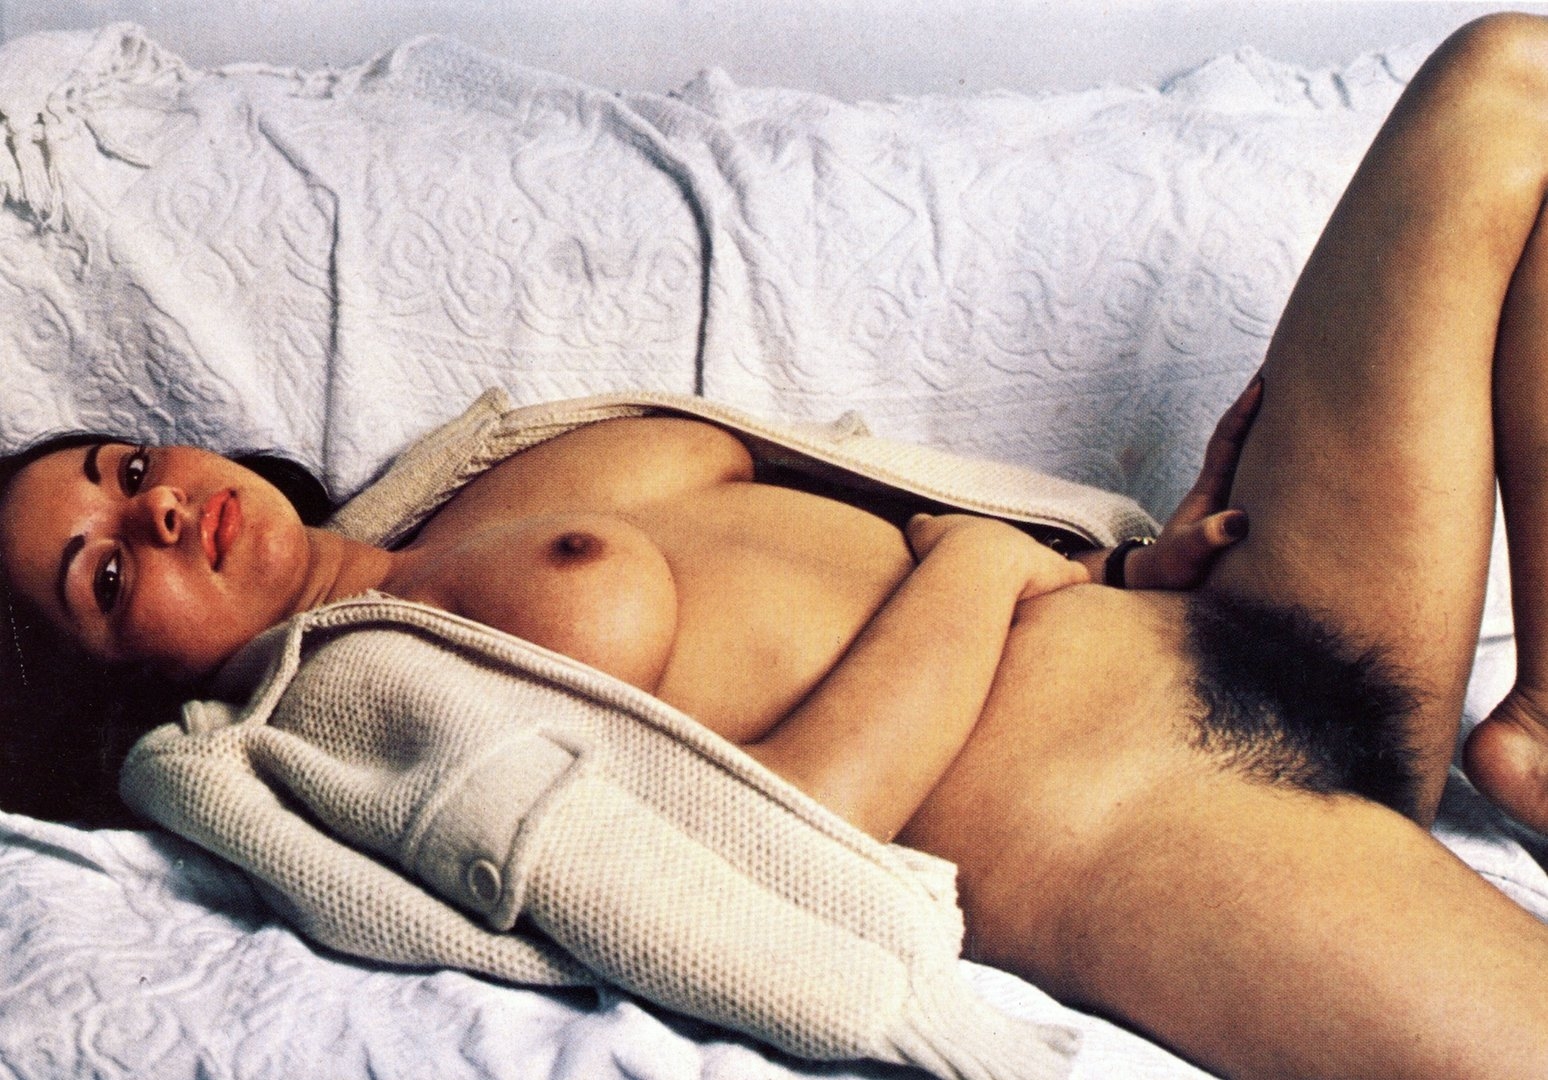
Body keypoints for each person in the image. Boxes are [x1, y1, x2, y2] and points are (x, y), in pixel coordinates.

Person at [4, 11, 1548, 1078]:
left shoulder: (484, 467)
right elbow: (772, 855)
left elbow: (858, 523)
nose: (159, 507)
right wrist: (979, 571)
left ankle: (1537, 726)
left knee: (1508, 83)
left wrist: (1110, 560)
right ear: (112, 689)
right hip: (1149, 833)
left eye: (124, 468)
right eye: (110, 572)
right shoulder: (334, 729)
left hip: (1215, 617)